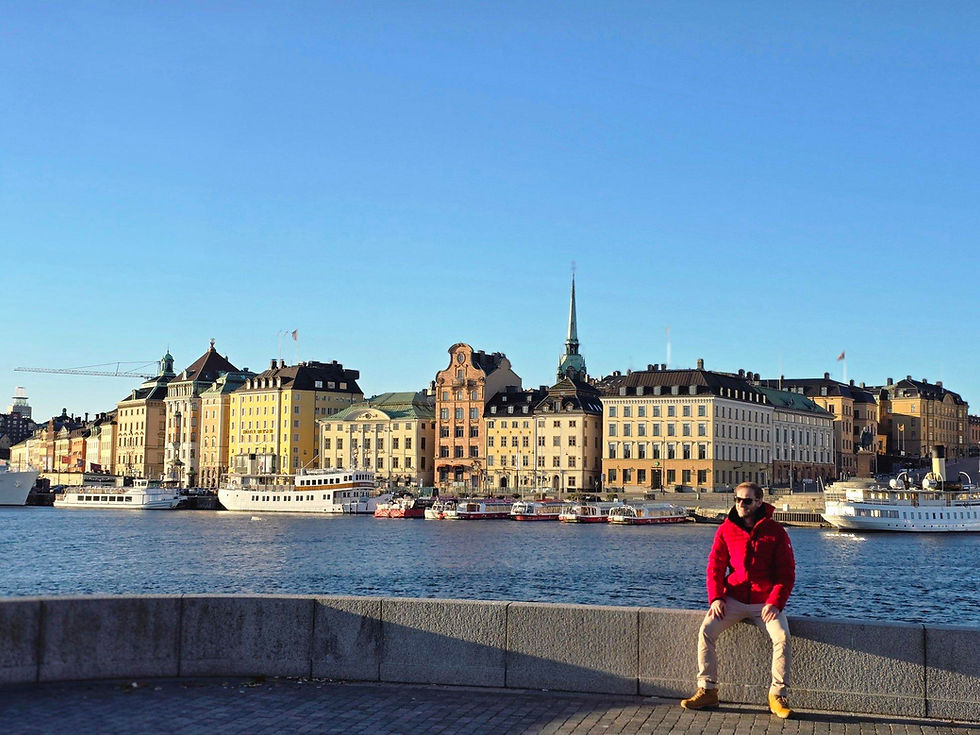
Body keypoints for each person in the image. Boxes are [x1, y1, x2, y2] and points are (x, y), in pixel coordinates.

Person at [680, 481, 796, 719]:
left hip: (765, 602)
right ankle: (708, 689)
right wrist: (716, 598)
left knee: (782, 637)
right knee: (706, 630)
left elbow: (786, 573)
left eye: (747, 500)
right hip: (733, 598)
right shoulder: (725, 529)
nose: (741, 505)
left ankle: (777, 695)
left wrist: (775, 602)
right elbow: (715, 568)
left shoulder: (775, 532)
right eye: (737, 500)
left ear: (759, 502)